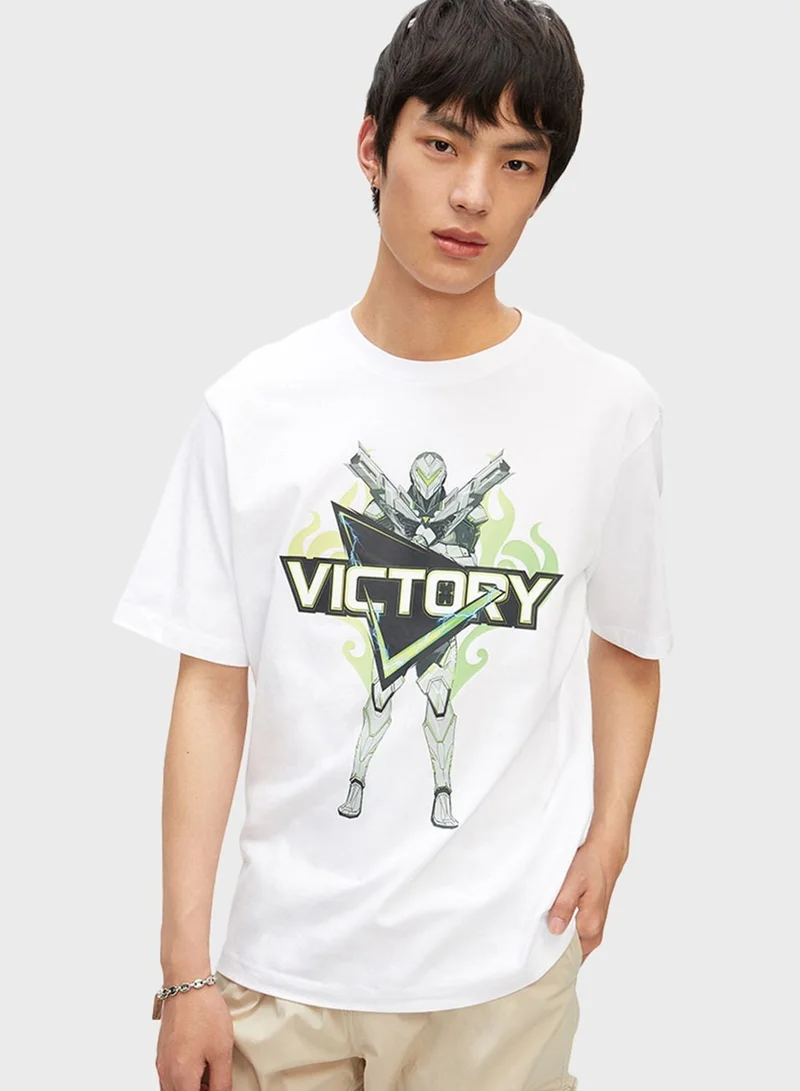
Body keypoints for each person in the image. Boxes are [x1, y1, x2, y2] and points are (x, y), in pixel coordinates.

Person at [113, 1, 673, 1088]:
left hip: (502, 978)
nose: (474, 195)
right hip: (285, 973)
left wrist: (610, 834)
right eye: (444, 144)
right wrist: (185, 973)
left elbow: (629, 645)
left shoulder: (605, 409)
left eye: (517, 162)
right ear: (372, 146)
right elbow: (210, 686)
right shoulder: (254, 407)